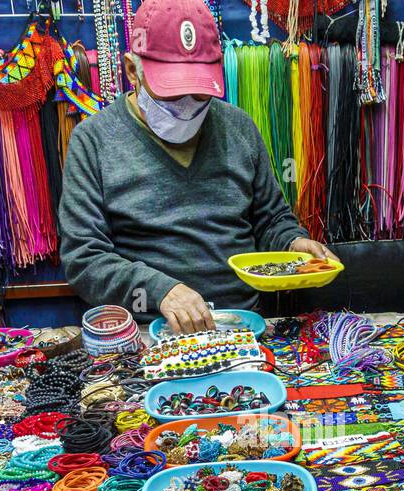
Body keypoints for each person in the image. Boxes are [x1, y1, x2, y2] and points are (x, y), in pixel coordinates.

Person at [57, 0, 334, 333]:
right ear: (133, 70)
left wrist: (292, 242)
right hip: (148, 329)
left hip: (242, 324)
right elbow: (84, 258)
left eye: (199, 93)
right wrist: (160, 292)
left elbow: (270, 218)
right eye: (171, 94)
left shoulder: (239, 129)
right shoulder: (94, 141)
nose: (187, 107)